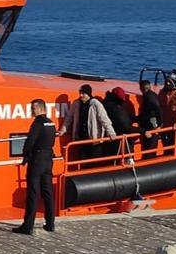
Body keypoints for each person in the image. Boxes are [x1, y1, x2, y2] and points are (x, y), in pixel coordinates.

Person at [13, 99, 56, 235]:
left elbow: (30, 141)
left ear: (41, 109)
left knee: (33, 193)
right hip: (48, 160)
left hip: (37, 161)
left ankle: (27, 226)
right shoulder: (51, 123)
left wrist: (25, 155)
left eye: (33, 108)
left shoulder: (37, 123)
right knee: (48, 193)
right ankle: (50, 223)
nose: (31, 111)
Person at [59, 84, 116, 160]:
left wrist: (111, 132)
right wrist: (63, 130)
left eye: (83, 93)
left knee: (95, 161)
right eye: (80, 93)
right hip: (81, 139)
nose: (81, 95)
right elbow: (69, 117)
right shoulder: (76, 103)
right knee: (82, 160)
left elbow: (104, 119)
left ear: (88, 93)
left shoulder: (96, 104)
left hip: (94, 140)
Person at [102, 88, 135, 159]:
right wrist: (142, 130)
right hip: (119, 138)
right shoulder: (117, 109)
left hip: (109, 139)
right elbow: (126, 127)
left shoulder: (105, 104)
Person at [137, 80, 163, 156]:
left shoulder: (149, 97)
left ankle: (149, 157)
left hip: (151, 123)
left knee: (150, 144)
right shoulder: (150, 95)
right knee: (149, 144)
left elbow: (158, 108)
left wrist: (159, 124)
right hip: (150, 122)